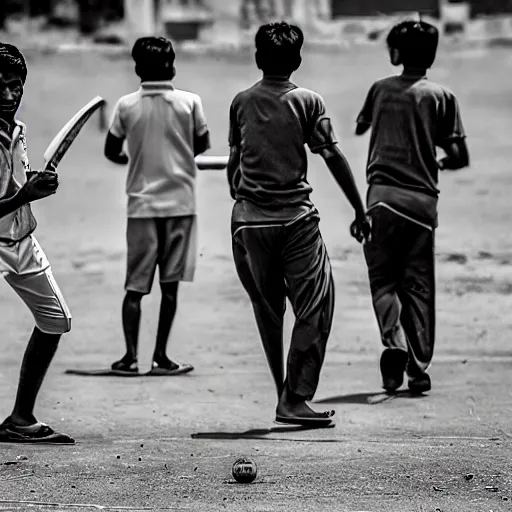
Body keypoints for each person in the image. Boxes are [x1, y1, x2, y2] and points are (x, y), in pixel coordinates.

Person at [227, 22, 369, 427]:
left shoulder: (241, 101)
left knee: (269, 310)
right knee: (316, 303)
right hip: (295, 219)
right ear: (298, 60)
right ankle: (294, 397)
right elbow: (333, 156)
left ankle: (284, 397)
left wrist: (244, 198)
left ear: (257, 59)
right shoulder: (308, 101)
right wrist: (359, 210)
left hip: (248, 222)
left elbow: (234, 165)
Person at [355, 20, 469, 394]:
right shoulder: (442, 97)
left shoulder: (381, 90)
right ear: (433, 56)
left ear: (395, 54)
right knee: (419, 287)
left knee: (383, 281)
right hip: (421, 202)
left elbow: (361, 126)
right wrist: (436, 158)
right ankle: (419, 369)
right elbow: (458, 155)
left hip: (382, 198)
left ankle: (395, 344)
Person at [104, 37, 210, 376]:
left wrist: (131, 159)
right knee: (170, 287)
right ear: (173, 65)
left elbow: (112, 150)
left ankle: (130, 357)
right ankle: (161, 356)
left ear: (137, 69)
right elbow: (202, 143)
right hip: (180, 203)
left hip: (141, 205)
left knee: (135, 287)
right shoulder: (190, 102)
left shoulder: (125, 106)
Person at [0, 43, 74, 444]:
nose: (10, 97)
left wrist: (33, 188)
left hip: (20, 237)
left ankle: (19, 419)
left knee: (55, 319)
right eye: (1, 88)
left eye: (16, 87)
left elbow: (15, 185)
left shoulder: (17, 130)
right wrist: (24, 195)